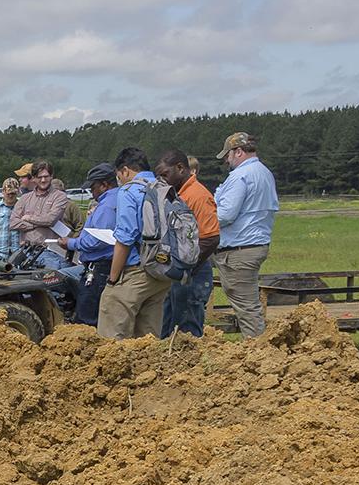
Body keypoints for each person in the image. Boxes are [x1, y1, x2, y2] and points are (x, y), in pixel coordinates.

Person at [98, 147, 174, 340]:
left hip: (136, 270)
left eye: (119, 176)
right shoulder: (163, 187)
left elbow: (125, 238)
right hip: (163, 270)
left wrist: (113, 279)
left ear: (125, 171)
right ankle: (148, 369)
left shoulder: (129, 191)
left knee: (112, 330)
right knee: (148, 337)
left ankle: (113, 370)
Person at [212, 131, 279, 336]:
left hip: (239, 249)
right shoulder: (264, 172)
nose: (226, 160)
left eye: (228, 155)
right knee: (248, 303)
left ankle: (257, 350)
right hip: (255, 244)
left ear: (238, 151)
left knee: (246, 306)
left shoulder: (240, 176)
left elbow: (225, 214)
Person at [155, 150, 220, 337]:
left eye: (165, 174)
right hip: (180, 272)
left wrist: (187, 266)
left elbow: (211, 238)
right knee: (170, 324)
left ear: (181, 169)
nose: (163, 179)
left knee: (187, 330)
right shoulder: (178, 194)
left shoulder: (197, 195)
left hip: (193, 273)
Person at [63, 164, 119, 328]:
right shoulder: (114, 200)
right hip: (103, 265)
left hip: (99, 267)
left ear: (104, 185)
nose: (91, 192)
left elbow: (98, 240)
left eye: (93, 187)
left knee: (87, 319)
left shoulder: (107, 206)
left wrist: (71, 243)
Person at [9, 161, 81, 278]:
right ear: (33, 178)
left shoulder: (59, 196)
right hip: (26, 252)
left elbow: (50, 220)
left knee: (53, 290)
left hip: (51, 254)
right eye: (39, 177)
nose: (43, 180)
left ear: (51, 177)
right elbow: (13, 223)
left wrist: (28, 218)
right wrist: (36, 224)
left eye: (46, 176)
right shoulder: (24, 199)